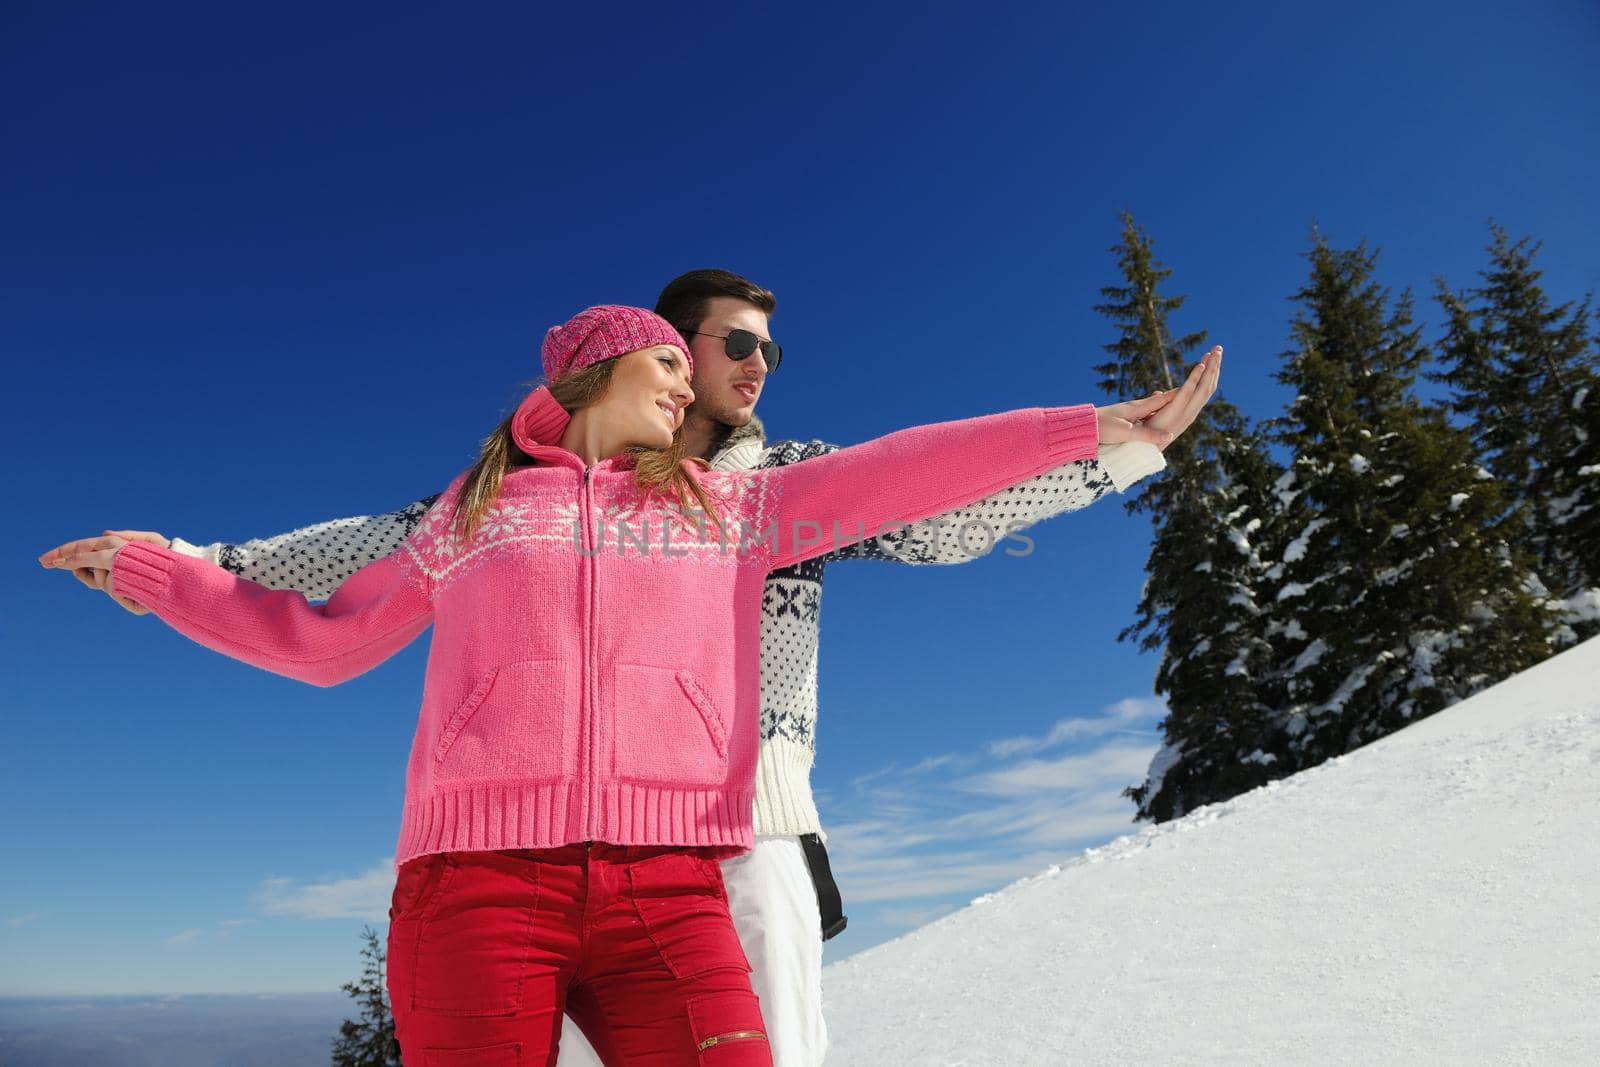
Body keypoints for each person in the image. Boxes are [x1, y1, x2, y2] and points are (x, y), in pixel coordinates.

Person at [43, 272, 1222, 1067]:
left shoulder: (750, 502)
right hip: (477, 879)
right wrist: (171, 569)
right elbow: (331, 624)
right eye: (692, 353)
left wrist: (1098, 434)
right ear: (610, 367)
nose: (723, 374)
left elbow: (917, 478)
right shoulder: (479, 507)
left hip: (679, 868)